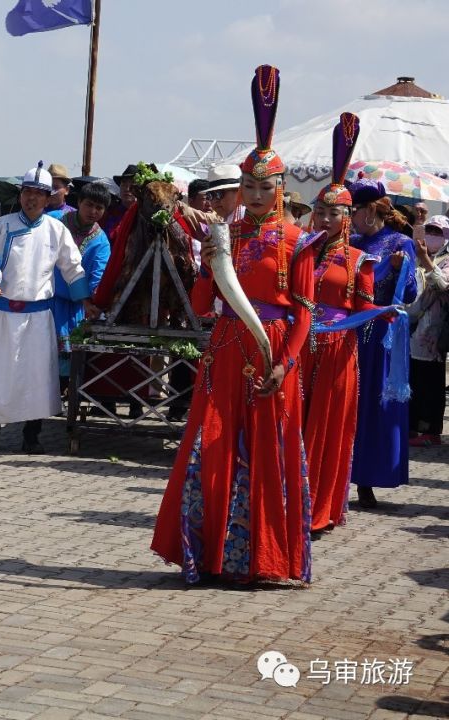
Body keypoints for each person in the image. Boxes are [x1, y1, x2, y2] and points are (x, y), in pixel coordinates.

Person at [151, 65, 317, 584]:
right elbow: (203, 304)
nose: (253, 192)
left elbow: (304, 312)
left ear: (280, 186)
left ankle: (263, 559)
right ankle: (210, 554)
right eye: (246, 184)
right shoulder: (226, 233)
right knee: (213, 445)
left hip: (270, 353)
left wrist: (286, 363)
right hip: (225, 350)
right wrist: (206, 265)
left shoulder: (297, 241)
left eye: (262, 185)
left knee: (266, 451)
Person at [299, 113, 380, 536]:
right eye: (318, 211)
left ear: (346, 217)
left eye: (332, 213)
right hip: (296, 349)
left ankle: (319, 508)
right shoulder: (300, 252)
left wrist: (374, 316)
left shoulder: (359, 261)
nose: (323, 219)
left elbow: (364, 312)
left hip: (335, 354)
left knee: (326, 430)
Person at [0, 162, 91, 454]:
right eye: (28, 192)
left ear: (47, 196)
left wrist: (89, 303)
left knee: (37, 378)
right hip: (1, 313)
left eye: (39, 193)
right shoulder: (1, 226)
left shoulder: (56, 229)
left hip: (38, 315)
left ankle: (31, 436)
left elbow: (73, 268)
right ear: (21, 193)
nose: (32, 198)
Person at [349, 180, 417, 508]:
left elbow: (412, 293)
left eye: (354, 210)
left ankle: (367, 478)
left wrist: (398, 269)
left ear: (371, 209)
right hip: (348, 331)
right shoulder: (350, 241)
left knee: (374, 406)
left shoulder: (399, 243)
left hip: (380, 336)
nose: (350, 217)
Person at [54, 182, 111, 377]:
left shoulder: (101, 242)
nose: (93, 211)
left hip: (76, 308)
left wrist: (94, 302)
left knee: (67, 368)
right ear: (78, 202)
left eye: (99, 207)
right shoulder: (54, 222)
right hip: (43, 303)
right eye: (89, 204)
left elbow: (98, 277)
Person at [408, 214, 449, 447]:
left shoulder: (445, 260)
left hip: (433, 333)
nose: (433, 235)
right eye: (429, 229)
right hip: (410, 328)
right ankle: (413, 426)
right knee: (414, 379)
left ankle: (431, 428)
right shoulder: (414, 255)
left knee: (431, 382)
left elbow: (442, 285)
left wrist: (425, 259)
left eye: (438, 231)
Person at [101, 163, 137, 237]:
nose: (127, 189)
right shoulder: (107, 212)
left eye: (132, 185)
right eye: (124, 183)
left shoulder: (143, 217)